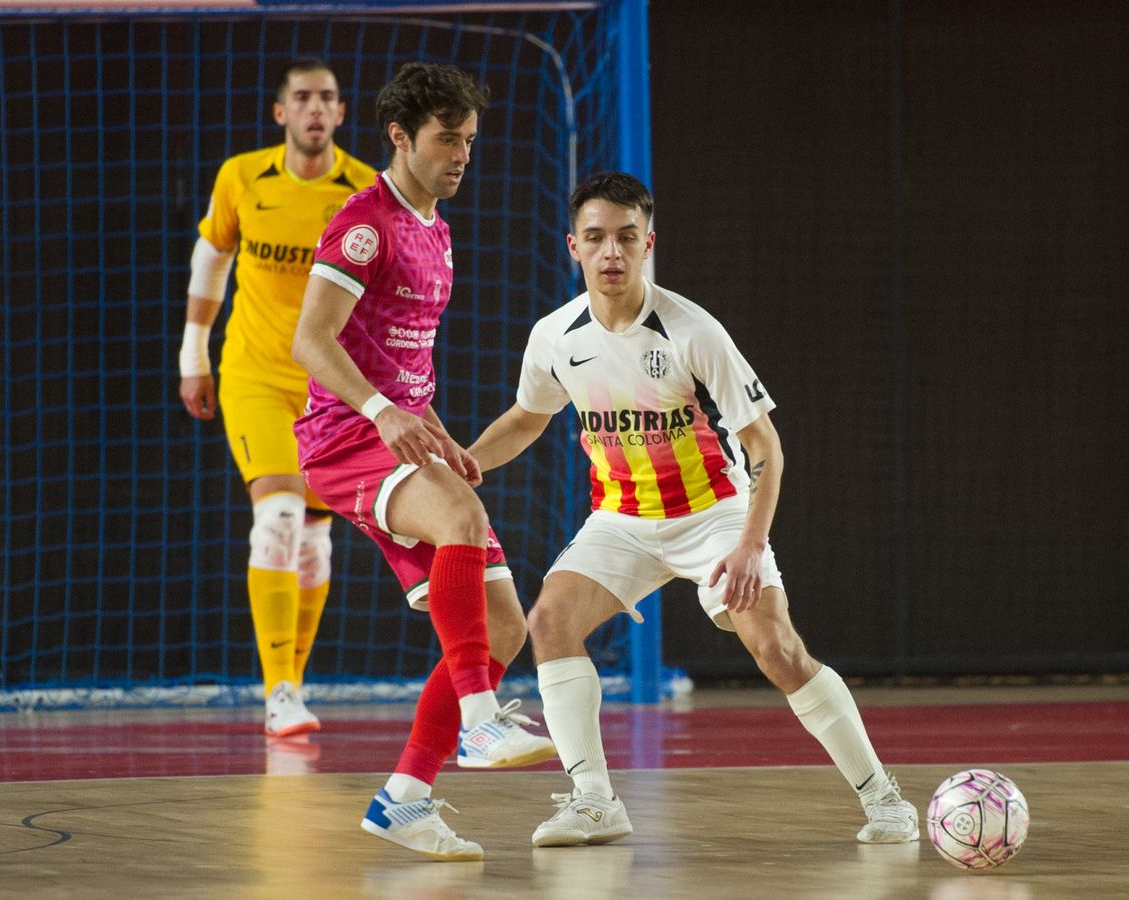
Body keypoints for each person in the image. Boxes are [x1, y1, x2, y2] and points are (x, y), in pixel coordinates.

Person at [466, 171, 920, 848]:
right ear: (573, 247)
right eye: (596, 238)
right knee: (550, 619)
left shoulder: (689, 329)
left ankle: (885, 800)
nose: (611, 252)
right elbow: (527, 419)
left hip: (715, 514)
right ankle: (595, 802)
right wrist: (465, 462)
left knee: (777, 649)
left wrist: (748, 547)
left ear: (648, 243)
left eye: (625, 237)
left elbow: (764, 442)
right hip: (621, 517)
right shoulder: (554, 336)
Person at [291, 61, 556, 862]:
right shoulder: (365, 222)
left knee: (507, 621)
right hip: (343, 439)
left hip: (395, 434)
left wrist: (434, 430)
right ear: (401, 137)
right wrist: (381, 414)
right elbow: (311, 339)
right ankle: (479, 720)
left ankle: (404, 799)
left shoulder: (436, 229)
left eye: (471, 141)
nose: (462, 155)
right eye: (447, 139)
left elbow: (404, 364)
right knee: (462, 520)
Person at [178, 58, 378, 737]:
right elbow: (212, 257)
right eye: (302, 97)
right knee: (280, 519)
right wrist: (191, 353)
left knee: (316, 547)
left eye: (327, 97)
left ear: (342, 113)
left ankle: (293, 682)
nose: (315, 108)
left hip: (329, 386)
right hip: (256, 375)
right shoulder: (242, 177)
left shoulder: (364, 192)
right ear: (281, 113)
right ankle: (280, 692)